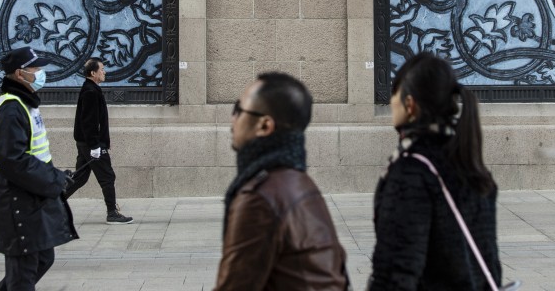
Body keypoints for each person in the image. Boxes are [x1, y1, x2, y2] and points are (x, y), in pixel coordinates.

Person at [368, 52, 500, 290]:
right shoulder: (469, 164)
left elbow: (396, 272)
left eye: (394, 93)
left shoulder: (411, 172)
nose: (391, 102)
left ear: (410, 105)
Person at [214, 72, 348, 290]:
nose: (232, 119)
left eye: (238, 110)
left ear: (265, 126)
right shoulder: (300, 182)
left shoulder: (259, 198)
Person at [0, 47, 78, 291]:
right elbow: (12, 160)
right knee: (23, 272)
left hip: (30, 195)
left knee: (42, 258)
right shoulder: (11, 108)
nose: (40, 73)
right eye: (36, 69)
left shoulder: (24, 104)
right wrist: (54, 178)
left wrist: (53, 177)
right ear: (20, 74)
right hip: (15, 199)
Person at [62, 58, 133, 224]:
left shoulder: (91, 89)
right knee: (107, 176)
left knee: (79, 178)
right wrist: (95, 146)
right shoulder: (90, 92)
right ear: (93, 73)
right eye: (102, 69)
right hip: (91, 144)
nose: (104, 72)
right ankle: (112, 213)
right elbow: (89, 121)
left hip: (86, 143)